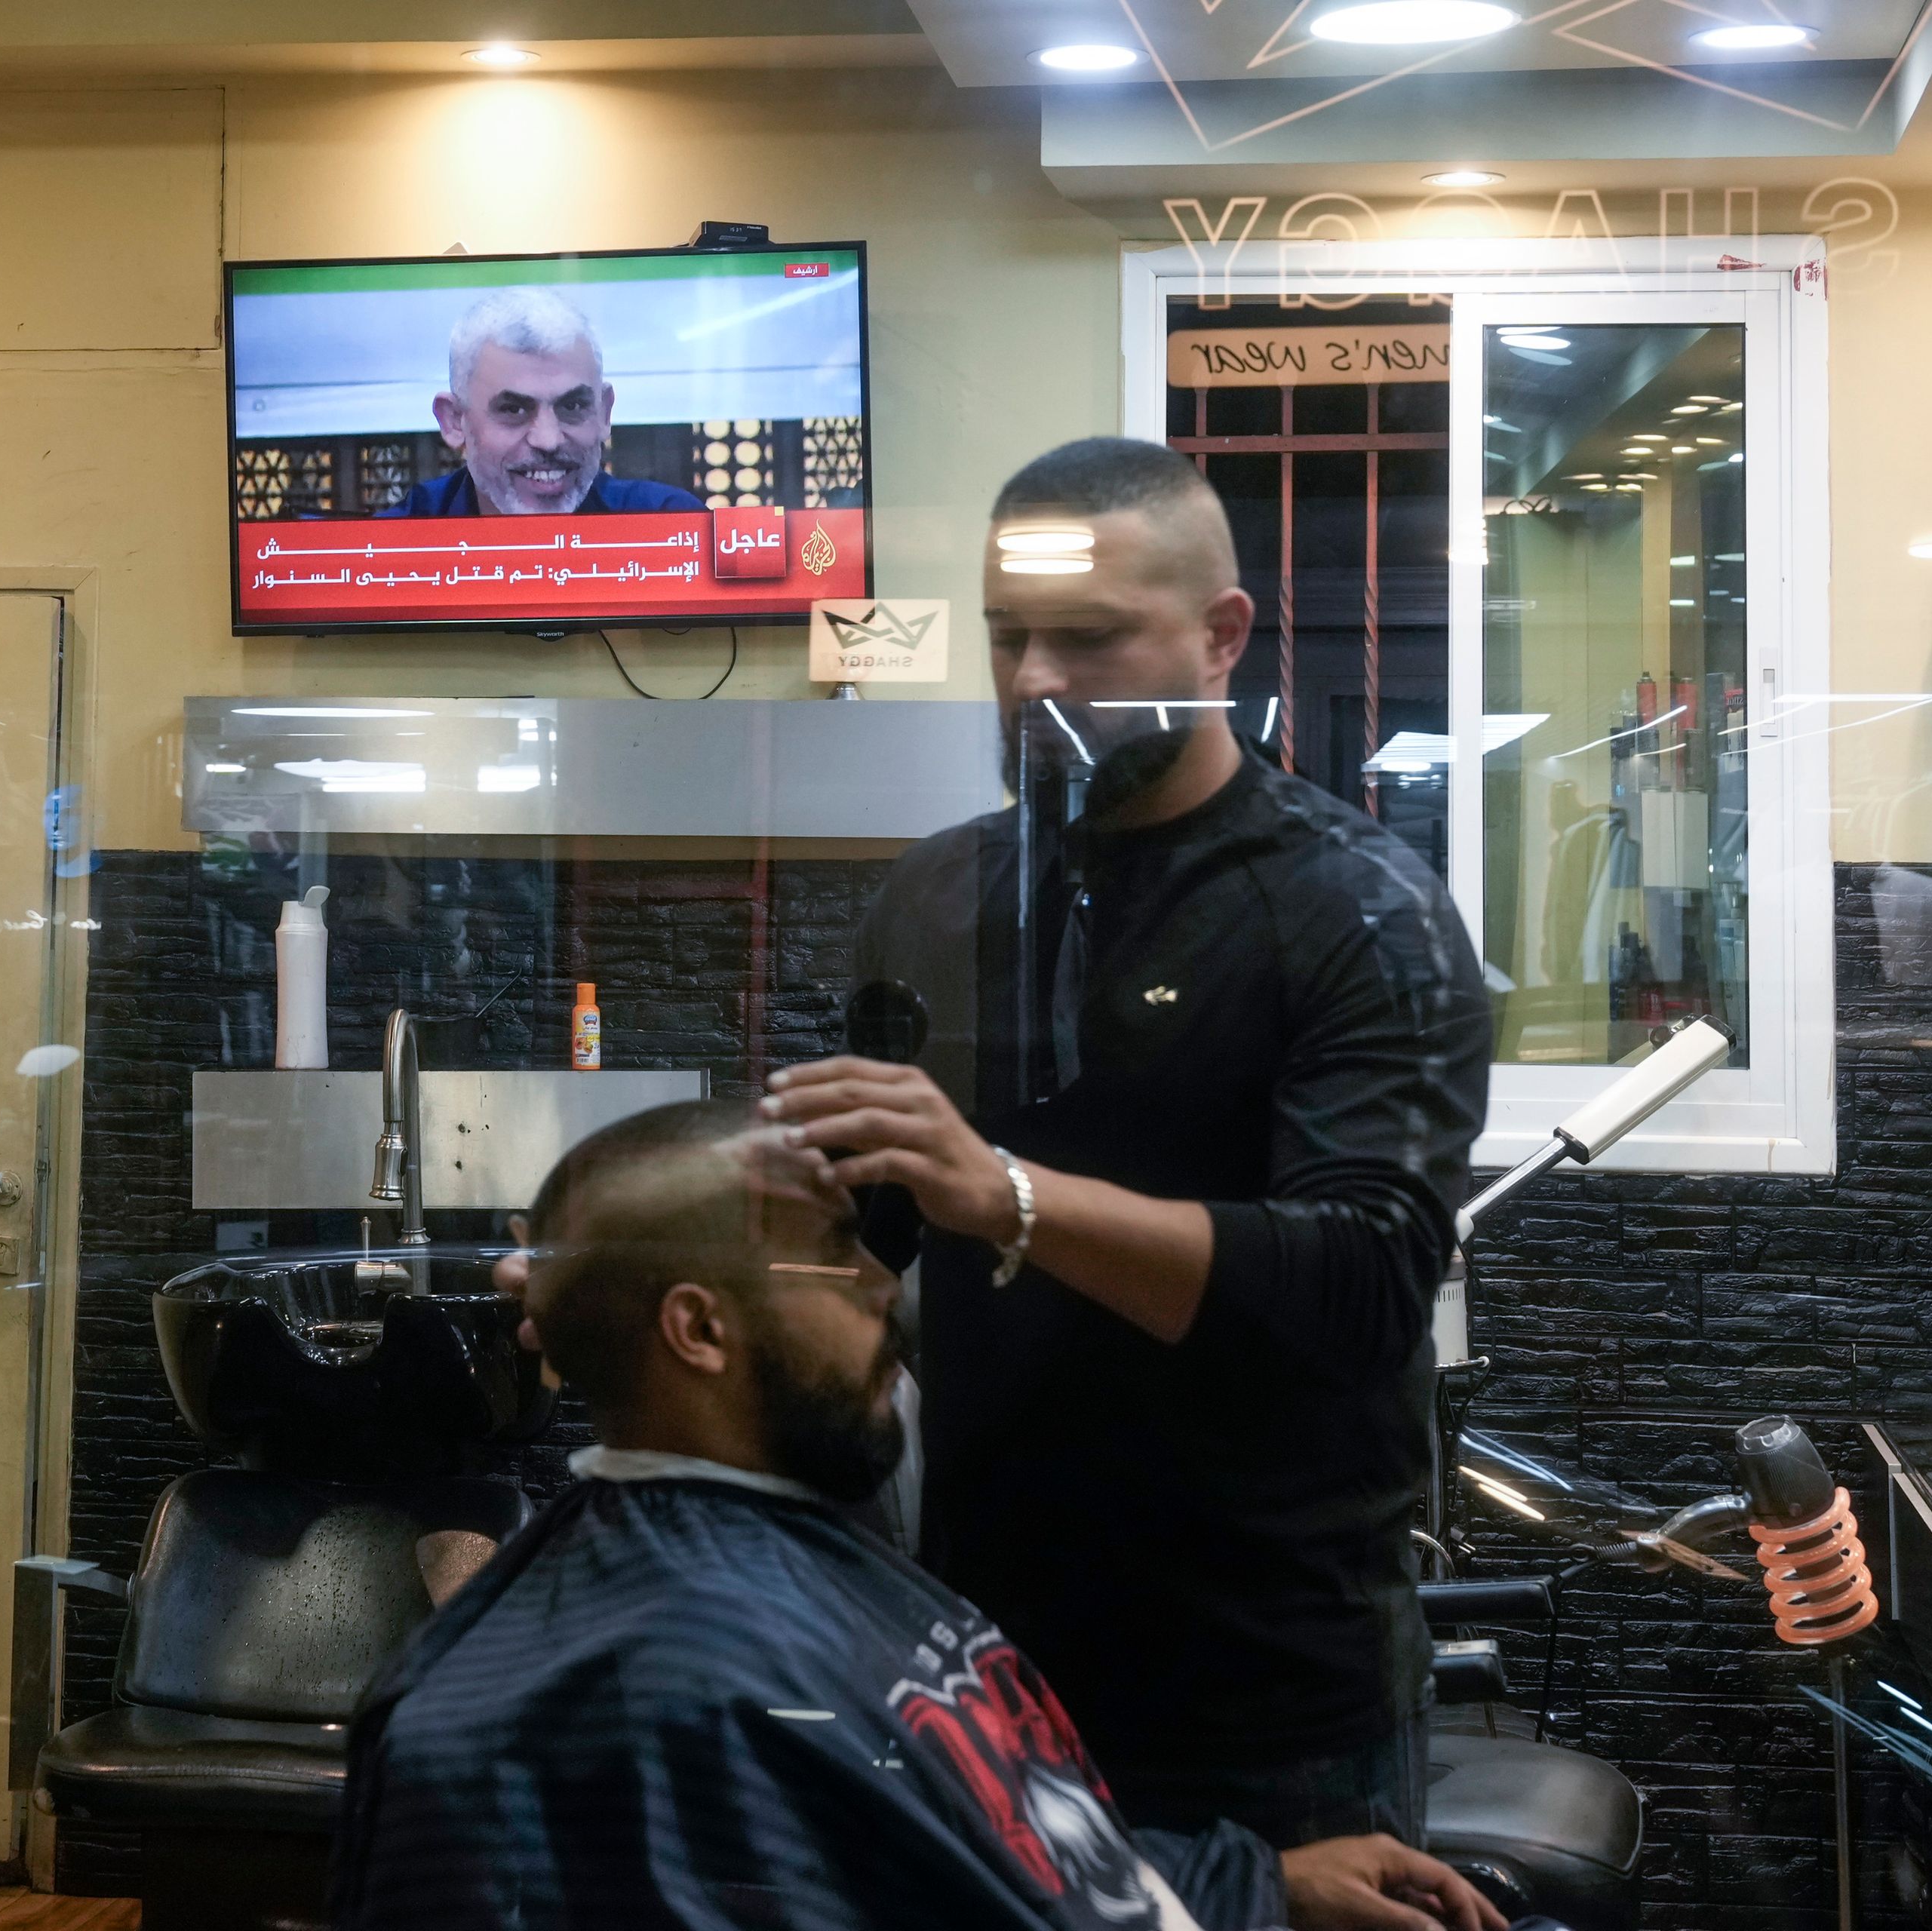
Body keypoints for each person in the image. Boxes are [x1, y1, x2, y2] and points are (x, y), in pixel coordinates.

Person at [759, 437, 1491, 1847]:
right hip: (983, 1664)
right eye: (1008, 636)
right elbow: (862, 1232)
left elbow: (1362, 1285)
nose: (1033, 680)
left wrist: (1010, 1197)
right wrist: (645, 1276)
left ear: (1222, 638)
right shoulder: (939, 893)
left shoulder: (1357, 912)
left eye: (1088, 640)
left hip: (1268, 1706)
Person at [331, 1100, 1505, 1931]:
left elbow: (978, 1855)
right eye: (839, 1257)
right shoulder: (632, 1698)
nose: (887, 1294)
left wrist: (1264, 1888)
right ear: (699, 1330)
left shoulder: (789, 1583)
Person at [380, 287, 704, 517]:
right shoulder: (393, 548)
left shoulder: (669, 527)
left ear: (605, 412)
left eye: (573, 407)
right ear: (453, 421)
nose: (548, 440)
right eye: (513, 410)